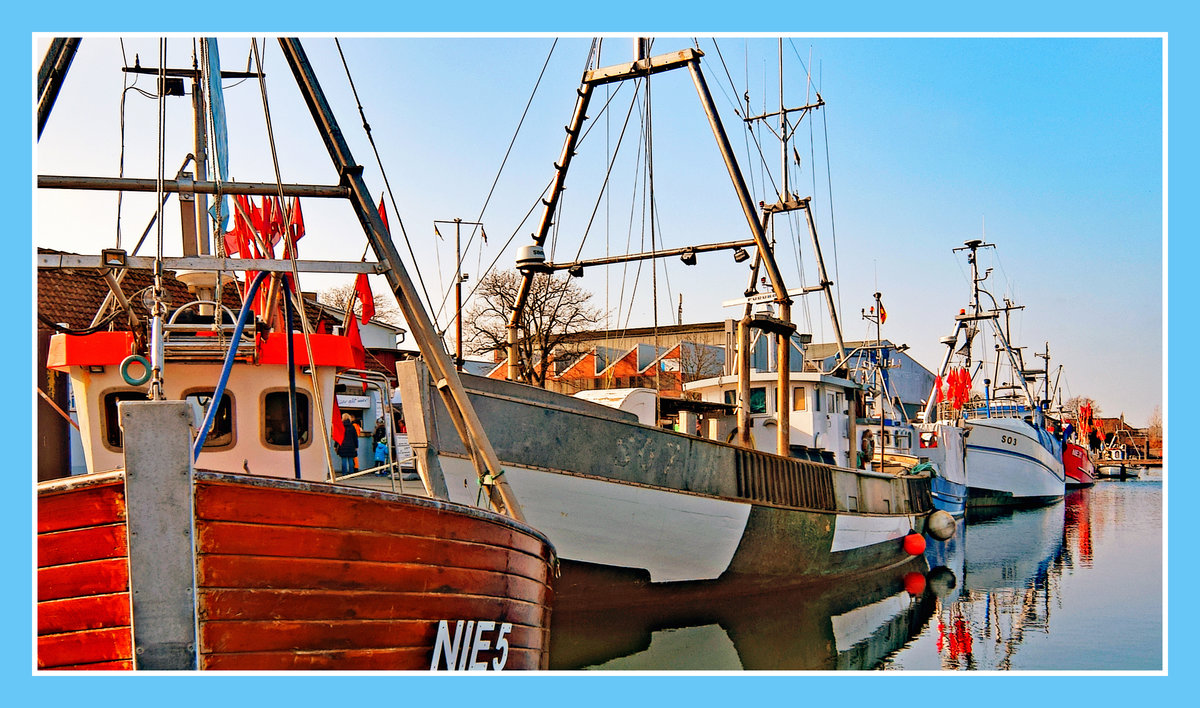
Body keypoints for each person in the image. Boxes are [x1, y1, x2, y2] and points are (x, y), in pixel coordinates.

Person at [336, 412, 361, 477]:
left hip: (343, 445)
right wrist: (356, 446)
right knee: (350, 459)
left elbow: (338, 437)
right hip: (351, 445)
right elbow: (355, 437)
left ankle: (344, 473)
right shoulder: (352, 427)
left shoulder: (341, 426)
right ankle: (351, 473)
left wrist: (335, 445)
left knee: (344, 459)